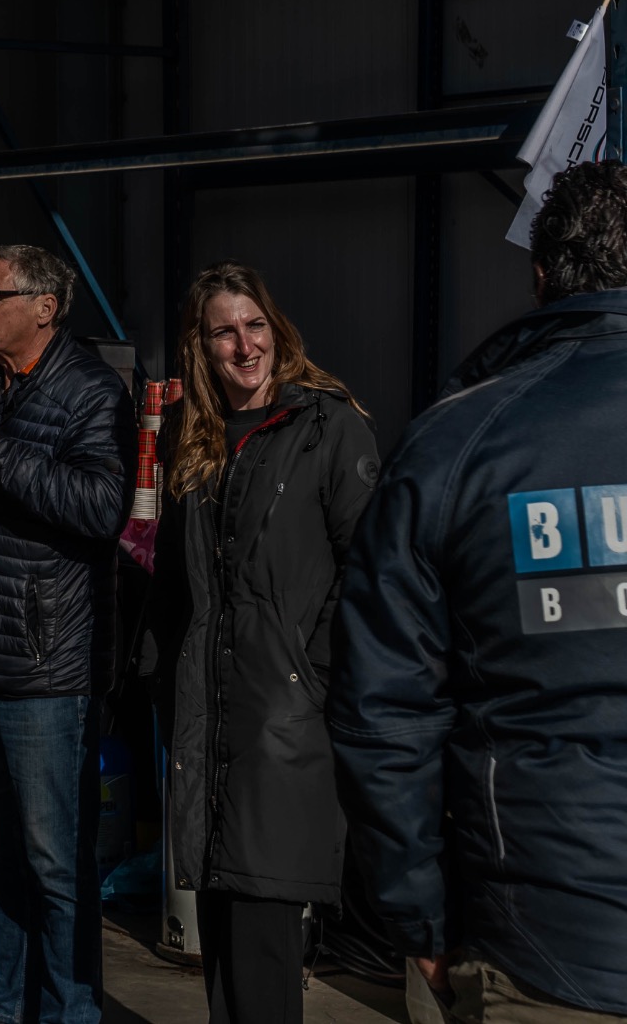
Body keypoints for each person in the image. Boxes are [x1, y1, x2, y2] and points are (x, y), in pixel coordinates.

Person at [330, 160, 627, 1024]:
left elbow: (384, 712)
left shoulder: (454, 445)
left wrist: (417, 918)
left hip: (545, 940)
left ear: (541, 275)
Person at [147, 262, 379, 1024]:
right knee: (223, 957)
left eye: (255, 326)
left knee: (264, 950)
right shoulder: (194, 437)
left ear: (276, 330)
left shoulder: (328, 427)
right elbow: (178, 582)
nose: (245, 346)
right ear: (201, 345)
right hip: (208, 724)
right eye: (225, 331)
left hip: (284, 728)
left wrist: (310, 675)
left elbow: (369, 574)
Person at [0, 244, 133, 1024]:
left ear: (45, 306)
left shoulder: (91, 391)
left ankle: (70, 1009)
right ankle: (6, 1003)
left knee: (54, 859)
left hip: (47, 665)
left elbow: (99, 507)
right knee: (0, 849)